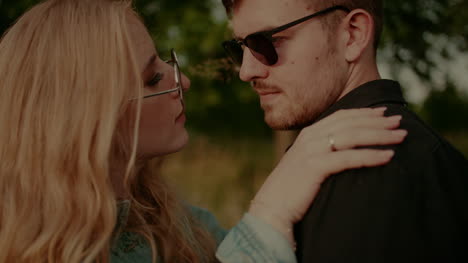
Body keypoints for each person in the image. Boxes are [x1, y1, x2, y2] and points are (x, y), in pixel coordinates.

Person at [0, 0, 407, 262]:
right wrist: (270, 211)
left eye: (165, 63)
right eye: (151, 78)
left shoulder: (177, 222)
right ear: (87, 114)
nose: (183, 83)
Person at [221, 0, 468, 262]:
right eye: (240, 48)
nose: (246, 71)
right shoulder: (425, 152)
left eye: (266, 42)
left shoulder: (363, 169)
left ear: (353, 35)